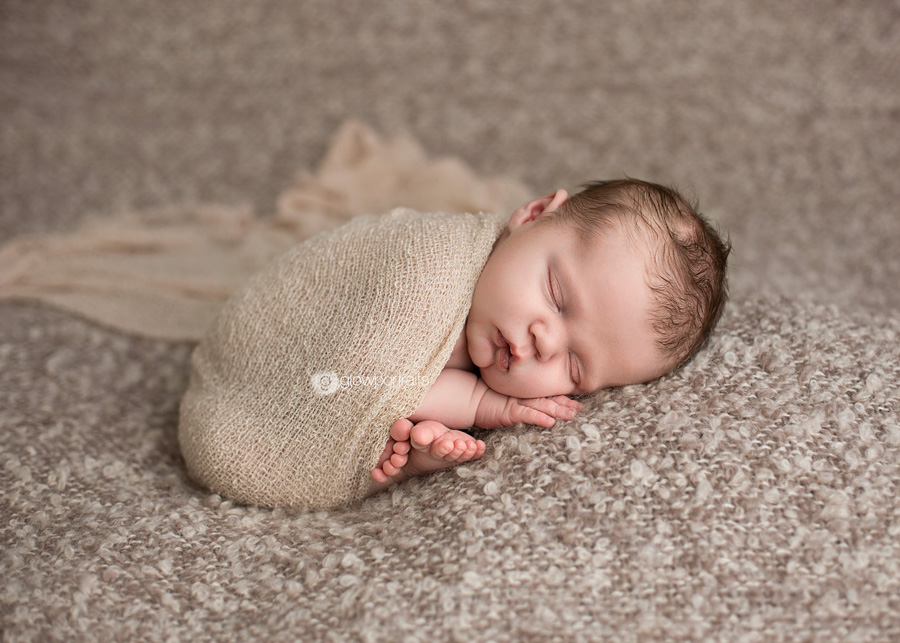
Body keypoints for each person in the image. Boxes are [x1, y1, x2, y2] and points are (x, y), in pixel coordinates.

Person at [368, 179, 730, 495]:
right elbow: (355, 374)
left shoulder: (494, 334)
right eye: (556, 295)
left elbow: (388, 390)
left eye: (574, 367)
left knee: (380, 454)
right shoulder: (428, 267)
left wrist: (481, 408)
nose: (548, 344)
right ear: (533, 215)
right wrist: (480, 403)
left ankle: (403, 466)